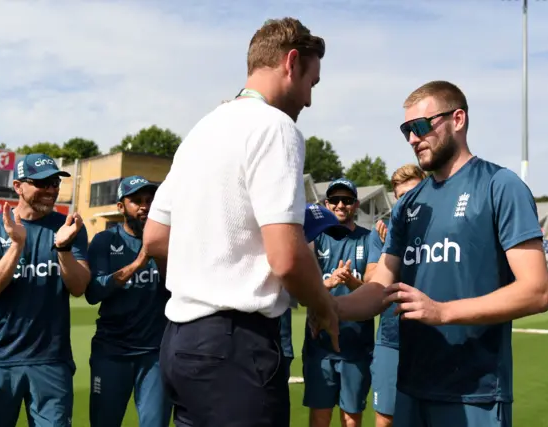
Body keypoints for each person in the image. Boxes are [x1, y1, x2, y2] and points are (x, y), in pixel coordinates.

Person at [142, 17, 338, 427]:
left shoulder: (202, 129)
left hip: (180, 342)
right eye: (311, 83)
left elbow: (156, 237)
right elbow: (285, 257)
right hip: (235, 348)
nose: (309, 100)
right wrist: (323, 307)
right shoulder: (276, 127)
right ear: (291, 63)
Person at [330, 80, 548, 427]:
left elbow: (536, 291)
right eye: (406, 131)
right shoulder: (408, 206)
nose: (413, 139)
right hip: (411, 387)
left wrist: (443, 311)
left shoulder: (500, 186)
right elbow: (380, 288)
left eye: (420, 126)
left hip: (474, 392)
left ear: (458, 119)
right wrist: (329, 307)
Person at [0, 153, 90, 427]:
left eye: (54, 183)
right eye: (41, 183)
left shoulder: (69, 228)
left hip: (51, 360)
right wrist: (16, 246)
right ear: (18, 187)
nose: (51, 190)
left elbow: (79, 286)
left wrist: (63, 248)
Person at [84, 175, 173, 427]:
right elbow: (93, 293)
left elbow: (178, 290)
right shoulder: (105, 241)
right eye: (136, 201)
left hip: (155, 353)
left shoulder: (171, 241)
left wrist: (160, 254)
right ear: (121, 207)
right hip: (111, 352)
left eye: (149, 200)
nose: (145, 206)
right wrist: (137, 263)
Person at [302, 178, 376, 427]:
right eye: (335, 200)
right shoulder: (315, 238)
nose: (341, 205)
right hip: (319, 346)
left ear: (356, 205)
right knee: (320, 418)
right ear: (326, 204)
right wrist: (328, 283)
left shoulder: (369, 238)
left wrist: (353, 283)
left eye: (347, 200)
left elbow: (375, 289)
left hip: (356, 345)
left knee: (352, 420)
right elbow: (302, 289)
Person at [368, 164, 426, 427]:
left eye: (413, 193)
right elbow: (372, 281)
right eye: (401, 196)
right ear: (394, 198)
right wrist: (390, 249)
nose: (407, 201)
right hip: (391, 336)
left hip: (431, 336)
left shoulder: (440, 226)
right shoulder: (383, 232)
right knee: (386, 419)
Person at [280, 203, 351, 379]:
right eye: (315, 237)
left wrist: (322, 289)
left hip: (281, 348)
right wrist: (323, 302)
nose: (319, 244)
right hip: (263, 350)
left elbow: (295, 294)